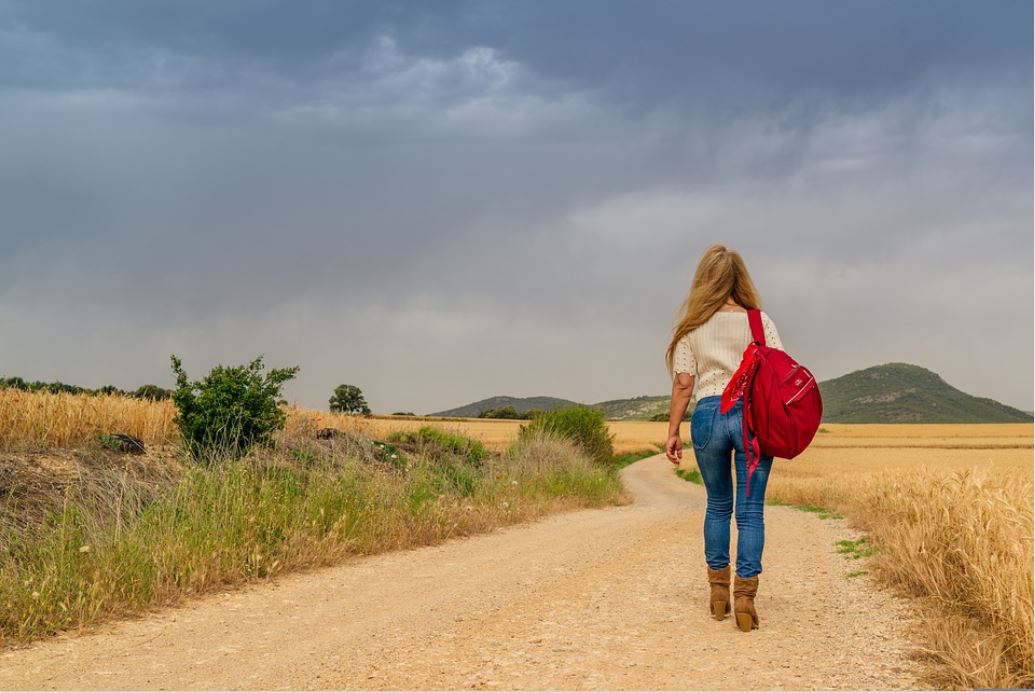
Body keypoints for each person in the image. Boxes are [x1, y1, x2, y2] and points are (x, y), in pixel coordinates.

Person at [663, 243, 784, 633]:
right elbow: (779, 372)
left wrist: (673, 431)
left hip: (709, 415)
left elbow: (684, 385)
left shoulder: (693, 327)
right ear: (740, 279)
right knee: (750, 512)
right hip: (751, 418)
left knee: (717, 505)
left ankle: (718, 595)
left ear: (703, 281)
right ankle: (745, 599)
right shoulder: (758, 321)